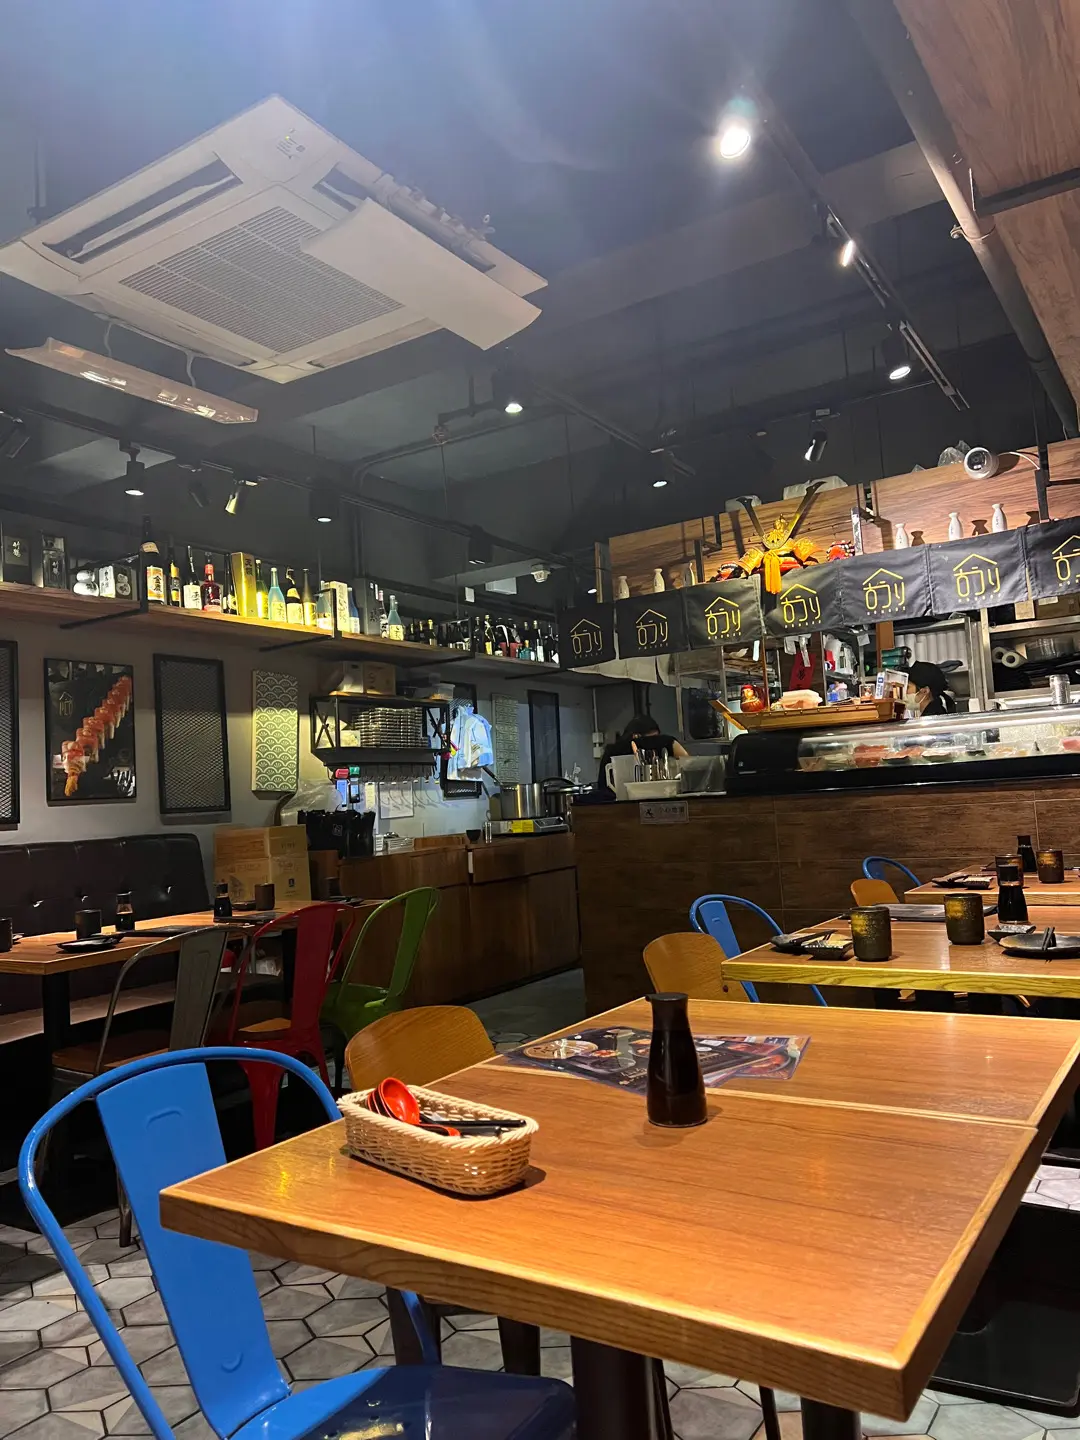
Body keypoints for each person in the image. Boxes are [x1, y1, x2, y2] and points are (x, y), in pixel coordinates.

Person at [597, 714, 688, 794]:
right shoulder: (617, 752)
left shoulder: (612, 751)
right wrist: (670, 743)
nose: (656, 744)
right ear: (636, 737)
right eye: (654, 739)